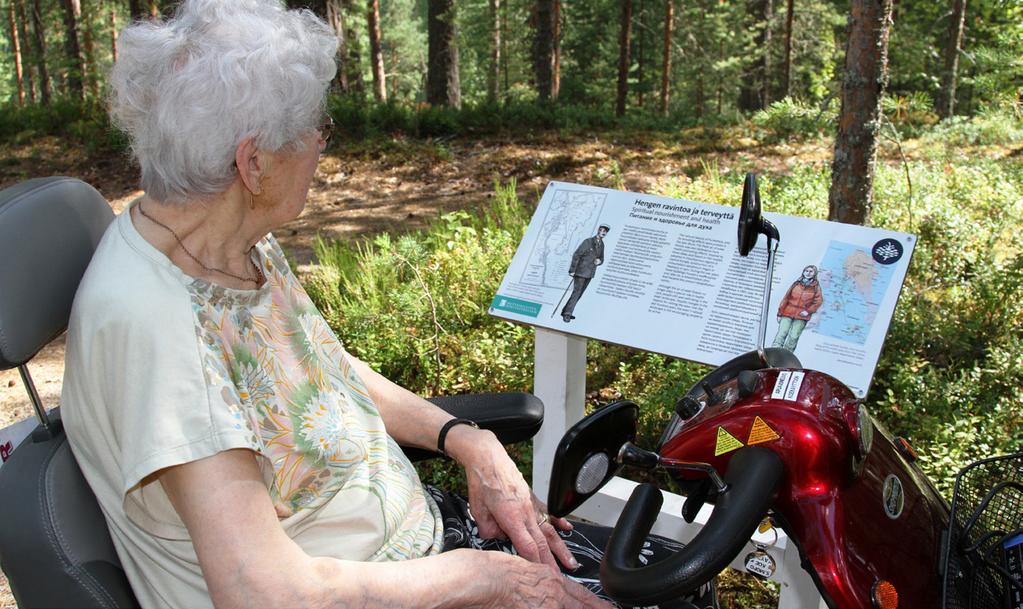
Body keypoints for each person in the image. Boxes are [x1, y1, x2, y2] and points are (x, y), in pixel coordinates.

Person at [60, 3, 709, 609]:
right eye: (315, 128)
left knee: (677, 577)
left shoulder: (227, 240)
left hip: (420, 540)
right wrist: (483, 576)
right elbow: (263, 589)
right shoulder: (156, 326)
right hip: (382, 588)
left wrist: (466, 439)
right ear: (252, 163)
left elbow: (323, 367)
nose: (320, 144)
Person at [561, 224, 610, 322]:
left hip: (590, 273)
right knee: (576, 293)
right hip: (580, 272)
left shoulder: (602, 244)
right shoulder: (588, 242)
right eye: (602, 231)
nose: (604, 233)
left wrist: (599, 261)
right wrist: (572, 270)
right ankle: (567, 314)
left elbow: (602, 258)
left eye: (605, 232)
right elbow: (577, 254)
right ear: (598, 230)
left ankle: (565, 311)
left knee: (579, 294)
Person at [771, 264, 824, 352]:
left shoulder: (816, 287)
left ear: (815, 273)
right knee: (781, 334)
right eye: (806, 271)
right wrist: (779, 313)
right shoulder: (796, 284)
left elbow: (818, 301)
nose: (808, 273)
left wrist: (808, 311)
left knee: (794, 336)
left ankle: (787, 356)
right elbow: (786, 298)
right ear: (803, 272)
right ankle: (774, 353)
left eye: (811, 271)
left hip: (802, 316)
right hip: (787, 313)